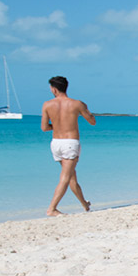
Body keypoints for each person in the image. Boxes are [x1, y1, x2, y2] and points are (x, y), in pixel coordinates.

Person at [41, 75, 95, 216]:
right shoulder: (77, 104)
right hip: (70, 143)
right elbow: (92, 122)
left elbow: (44, 128)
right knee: (65, 178)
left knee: (71, 177)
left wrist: (58, 125)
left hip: (56, 143)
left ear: (54, 89)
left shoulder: (47, 105)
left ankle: (85, 205)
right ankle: (52, 209)